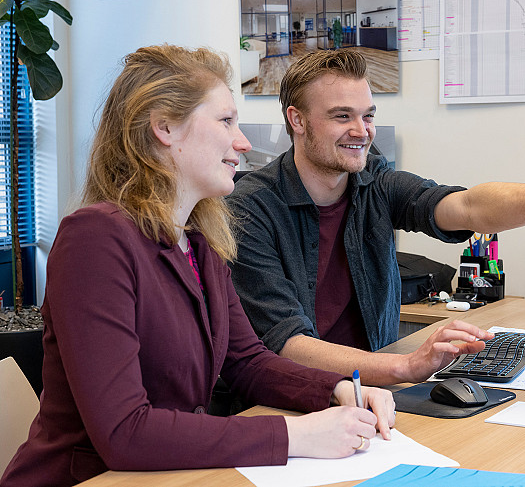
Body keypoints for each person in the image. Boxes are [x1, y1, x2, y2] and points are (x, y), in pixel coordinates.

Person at [0, 45, 395, 487]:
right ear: (165, 127)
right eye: (226, 121)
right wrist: (295, 434)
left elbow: (247, 361)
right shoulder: (95, 240)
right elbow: (124, 432)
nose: (243, 143)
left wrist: (337, 389)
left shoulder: (198, 242)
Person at [226, 49, 525, 387]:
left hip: (371, 390)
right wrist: (405, 367)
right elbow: (288, 344)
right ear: (297, 120)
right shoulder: (250, 208)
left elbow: (466, 206)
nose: (361, 130)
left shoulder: (375, 181)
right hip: (289, 400)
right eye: (342, 116)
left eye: (367, 115)